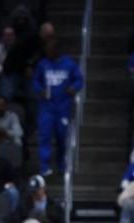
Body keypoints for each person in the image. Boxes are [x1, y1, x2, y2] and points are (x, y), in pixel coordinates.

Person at [33, 39, 83, 177]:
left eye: (50, 50)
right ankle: (44, 166)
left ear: (56, 50)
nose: (47, 52)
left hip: (63, 106)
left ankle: (61, 164)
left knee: (62, 137)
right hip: (46, 107)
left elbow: (79, 79)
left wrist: (74, 88)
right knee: (44, 137)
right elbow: (35, 81)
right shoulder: (43, 64)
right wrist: (40, 90)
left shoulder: (69, 64)